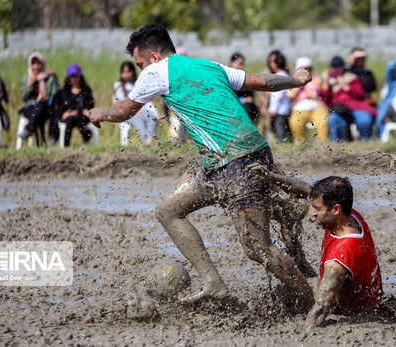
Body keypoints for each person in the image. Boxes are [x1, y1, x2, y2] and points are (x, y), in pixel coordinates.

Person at [88, 24, 316, 308]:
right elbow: (263, 82)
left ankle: (313, 301)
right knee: (168, 211)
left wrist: (99, 113)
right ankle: (217, 278)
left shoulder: (157, 71)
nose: (140, 70)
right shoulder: (209, 65)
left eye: (140, 63)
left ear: (154, 57)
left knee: (258, 248)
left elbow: (125, 110)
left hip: (236, 163)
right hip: (235, 158)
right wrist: (295, 81)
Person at [247, 165, 383, 334]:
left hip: (351, 310)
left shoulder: (338, 261)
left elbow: (322, 307)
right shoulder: (350, 215)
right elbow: (305, 190)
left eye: (317, 209)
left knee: (282, 294)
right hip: (370, 295)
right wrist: (271, 177)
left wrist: (304, 334)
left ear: (336, 209)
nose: (312, 213)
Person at [319, 56, 376, 141]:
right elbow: (324, 97)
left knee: (365, 120)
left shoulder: (352, 77)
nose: (337, 69)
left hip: (356, 107)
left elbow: (360, 94)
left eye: (339, 66)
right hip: (339, 109)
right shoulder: (329, 80)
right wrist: (325, 81)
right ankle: (337, 146)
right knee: (333, 120)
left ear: (343, 67)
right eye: (334, 67)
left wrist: (345, 86)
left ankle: (365, 142)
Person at [113, 61, 160, 146]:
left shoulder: (138, 83)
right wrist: (135, 110)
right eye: (124, 72)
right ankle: (146, 140)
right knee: (137, 119)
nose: (126, 74)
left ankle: (149, 138)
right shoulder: (119, 85)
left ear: (133, 72)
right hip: (127, 113)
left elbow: (147, 100)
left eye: (128, 72)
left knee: (152, 117)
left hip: (142, 110)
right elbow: (122, 102)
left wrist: (156, 114)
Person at [18, 52, 60, 145]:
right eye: (33, 64)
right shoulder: (26, 78)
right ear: (30, 65)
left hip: (47, 108)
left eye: (38, 63)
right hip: (31, 108)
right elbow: (24, 98)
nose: (36, 67)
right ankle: (42, 141)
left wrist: (46, 98)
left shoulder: (50, 78)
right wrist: (29, 85)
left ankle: (29, 129)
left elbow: (56, 95)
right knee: (37, 109)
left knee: (41, 105)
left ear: (43, 64)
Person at [287, 57, 329, 142]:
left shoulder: (317, 78)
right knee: (295, 122)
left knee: (323, 122)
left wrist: (325, 79)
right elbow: (290, 95)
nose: (307, 71)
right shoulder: (293, 81)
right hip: (300, 108)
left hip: (318, 106)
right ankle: (301, 144)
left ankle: (323, 145)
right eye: (304, 69)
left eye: (309, 68)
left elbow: (324, 91)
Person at [54, 64, 95, 147]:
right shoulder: (64, 92)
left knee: (79, 118)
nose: (74, 79)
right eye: (72, 77)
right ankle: (66, 145)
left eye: (76, 76)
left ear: (80, 76)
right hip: (68, 119)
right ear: (68, 78)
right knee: (70, 120)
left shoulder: (86, 91)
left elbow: (90, 107)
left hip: (83, 118)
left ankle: (86, 141)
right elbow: (59, 109)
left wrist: (72, 112)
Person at [267, 50, 292, 142]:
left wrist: (273, 108)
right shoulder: (286, 75)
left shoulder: (278, 76)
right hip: (285, 109)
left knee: (280, 129)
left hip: (279, 110)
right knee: (285, 129)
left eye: (271, 62)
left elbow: (277, 95)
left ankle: (281, 144)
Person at [230, 52, 260, 124]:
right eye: (239, 64)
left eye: (242, 64)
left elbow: (250, 98)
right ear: (231, 63)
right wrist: (242, 99)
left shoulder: (245, 78)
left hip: (244, 108)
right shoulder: (226, 78)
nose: (241, 67)